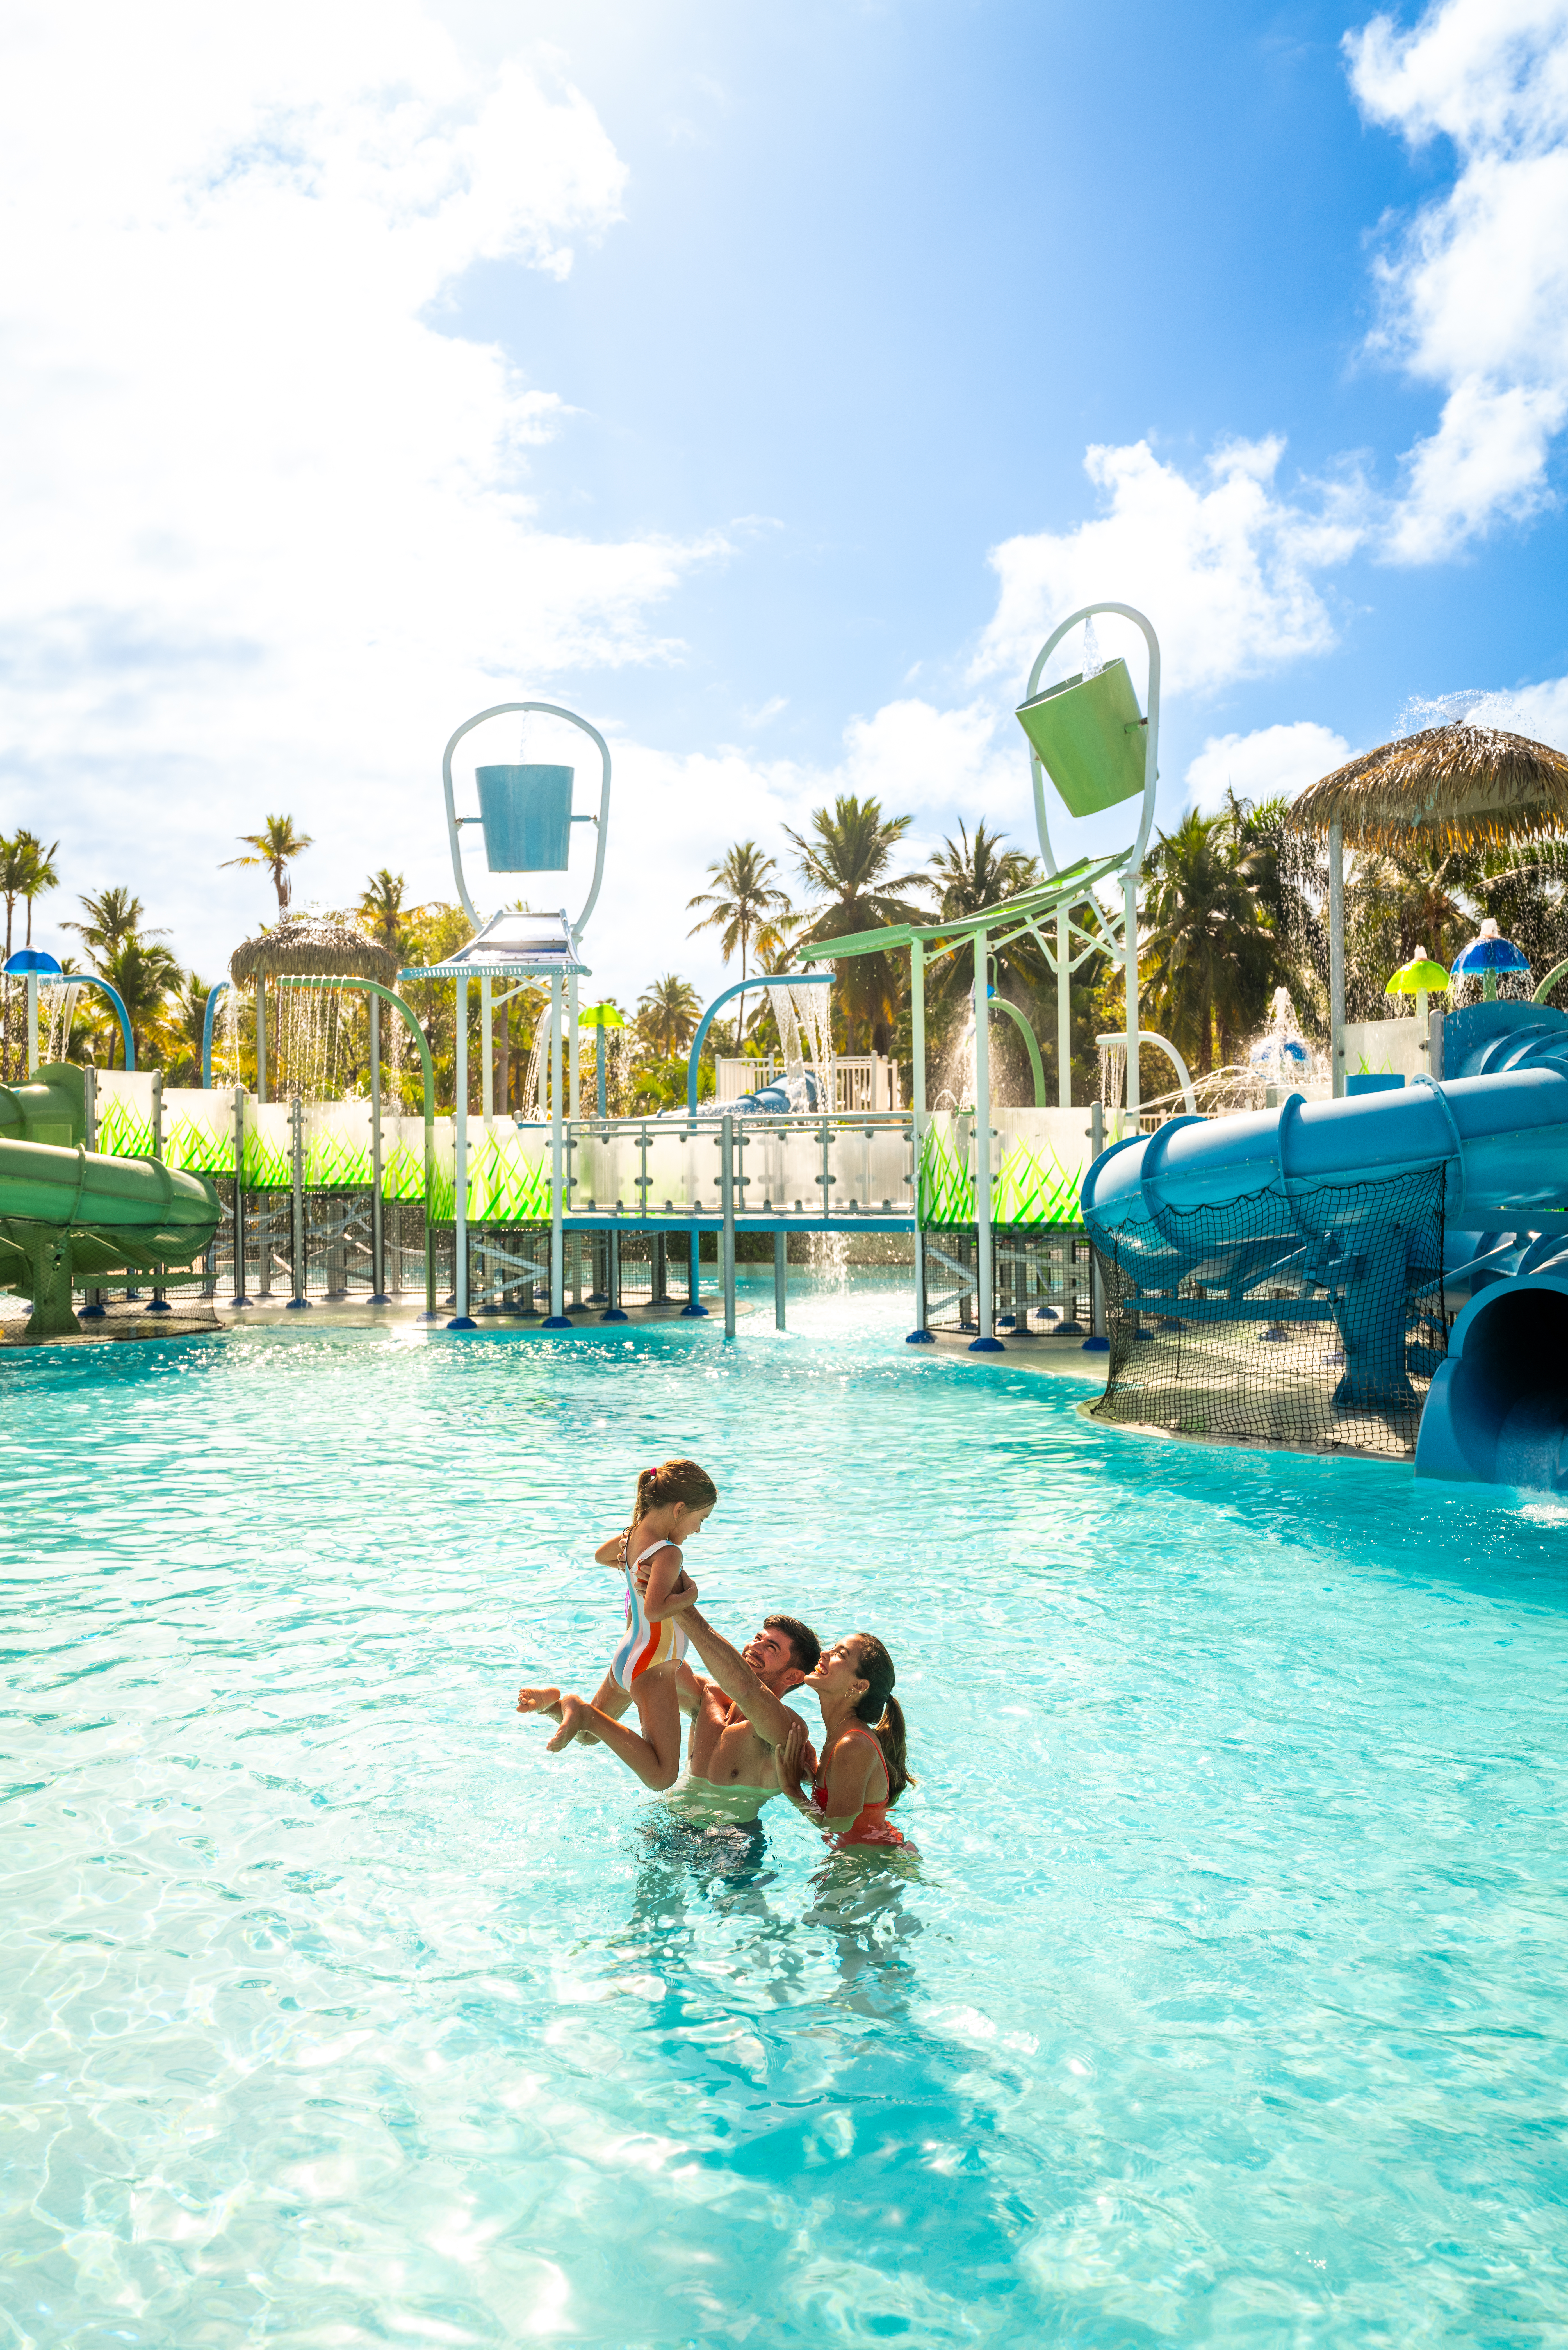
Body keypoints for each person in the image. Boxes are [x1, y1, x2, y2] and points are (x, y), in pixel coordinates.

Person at [516, 1458, 714, 1791]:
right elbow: (655, 1612)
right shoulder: (668, 1554)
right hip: (652, 1665)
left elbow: (600, 1556)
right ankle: (581, 1709)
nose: (699, 1529)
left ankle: (555, 1704)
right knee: (662, 1776)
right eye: (701, 1519)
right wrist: (691, 1594)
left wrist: (633, 1568)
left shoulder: (633, 1538)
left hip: (628, 1657)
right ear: (680, 1509)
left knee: (587, 1737)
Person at [777, 1633, 913, 1849]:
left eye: (840, 1654)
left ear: (859, 1686)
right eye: (832, 1647)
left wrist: (792, 1789)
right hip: (864, 1857)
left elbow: (836, 1826)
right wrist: (816, 1774)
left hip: (878, 1864)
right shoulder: (844, 1737)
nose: (825, 1653)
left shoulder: (853, 1744)